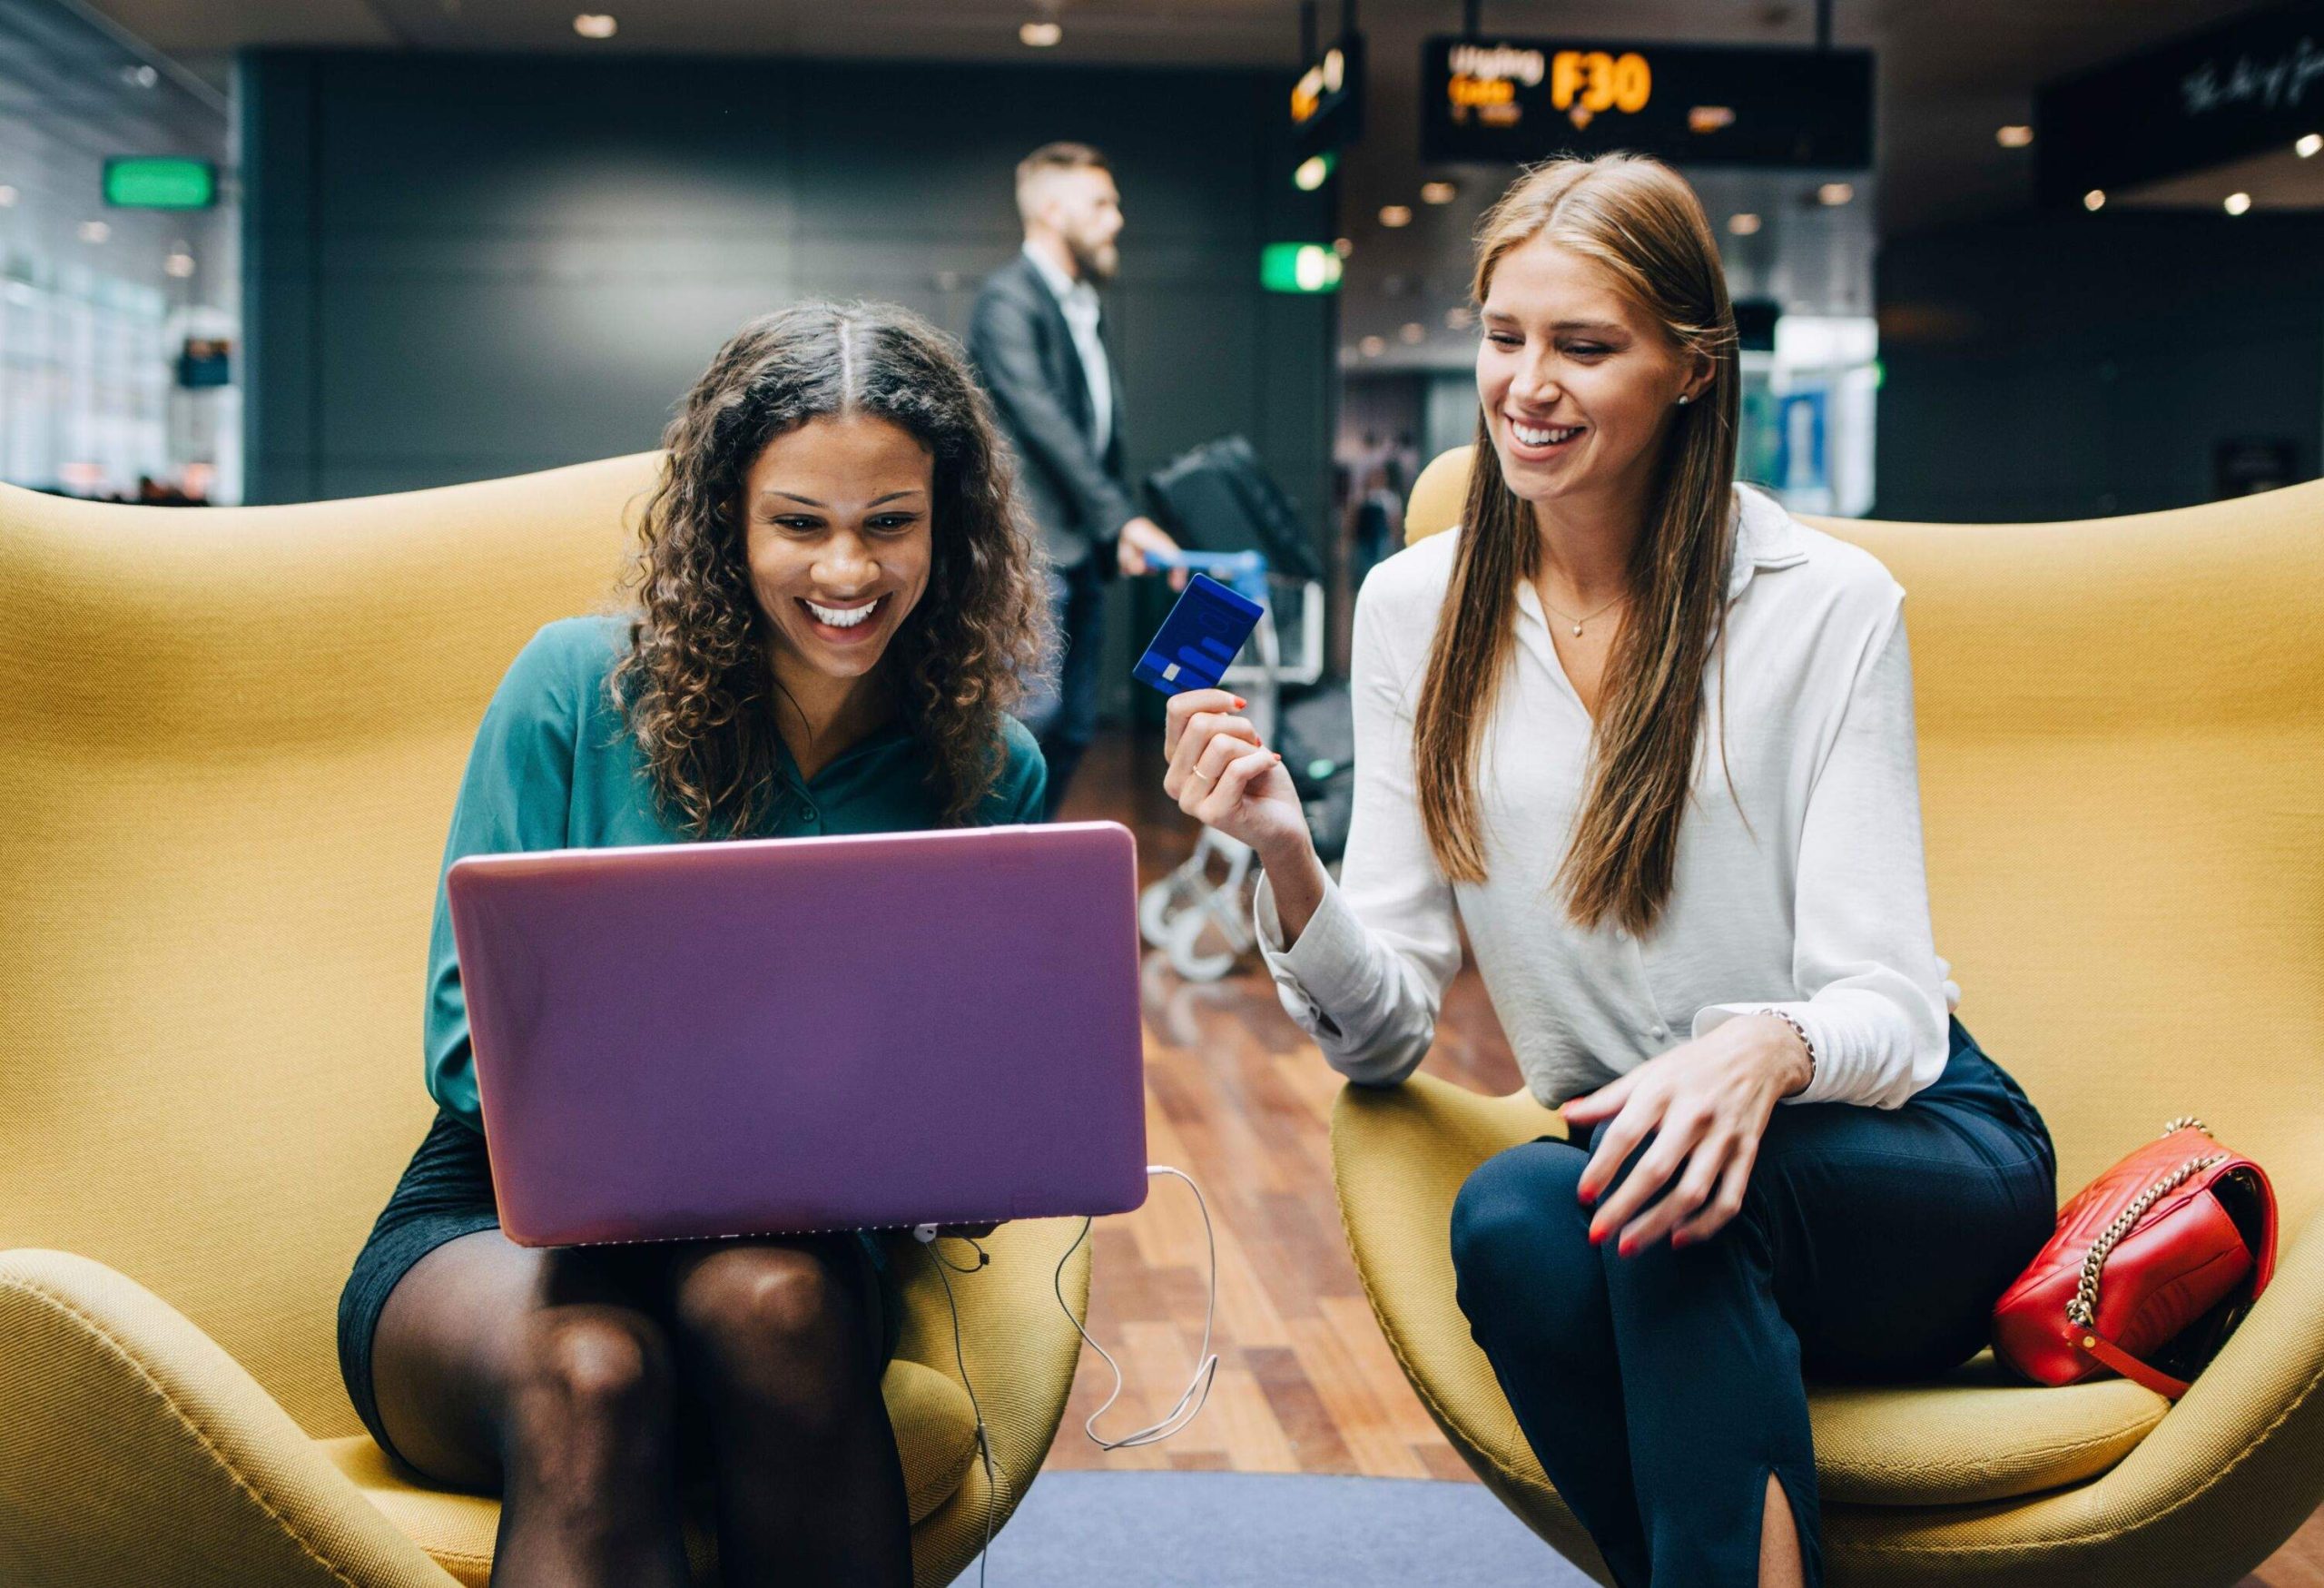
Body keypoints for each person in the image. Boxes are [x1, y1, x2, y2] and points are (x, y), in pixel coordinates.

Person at [1159, 154, 2055, 1588]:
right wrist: (1282, 848)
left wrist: (1759, 1051)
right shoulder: (1417, 610)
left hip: (1908, 1161)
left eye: (1585, 347)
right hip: (1646, 1183)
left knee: (1677, 1189)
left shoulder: (1825, 608)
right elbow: (1383, 1032)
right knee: (1517, 1217)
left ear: (1693, 370)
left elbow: (1896, 1013)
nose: (1527, 385)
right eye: (1506, 336)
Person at [336, 302, 1049, 1588]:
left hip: (791, 1248)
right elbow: (465, 1052)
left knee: (768, 1298)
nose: (848, 571)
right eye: (800, 524)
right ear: (729, 523)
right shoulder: (570, 686)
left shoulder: (987, 769)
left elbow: (969, 1085)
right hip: (503, 1230)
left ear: (951, 528)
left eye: (891, 523)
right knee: (593, 1368)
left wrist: (967, 1150)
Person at [970, 140, 1179, 815]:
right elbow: (1046, 425)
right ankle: (989, 873)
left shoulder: (1081, 304)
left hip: (1081, 549)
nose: (1116, 218)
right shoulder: (1008, 300)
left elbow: (1094, 430)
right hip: (1033, 552)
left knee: (1079, 724)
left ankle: (1028, 864)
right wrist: (1124, 519)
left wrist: (1108, 529)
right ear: (1053, 209)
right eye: (1101, 203)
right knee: (1032, 722)